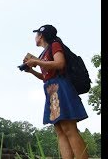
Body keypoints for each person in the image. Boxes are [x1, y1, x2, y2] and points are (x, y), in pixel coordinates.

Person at [24, 24, 89, 159]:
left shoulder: (55, 45)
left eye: (36, 35)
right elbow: (45, 77)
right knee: (60, 131)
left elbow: (60, 64)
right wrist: (31, 70)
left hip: (61, 88)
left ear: (41, 35)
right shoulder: (43, 53)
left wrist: (36, 61)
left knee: (69, 129)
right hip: (51, 89)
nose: (35, 37)